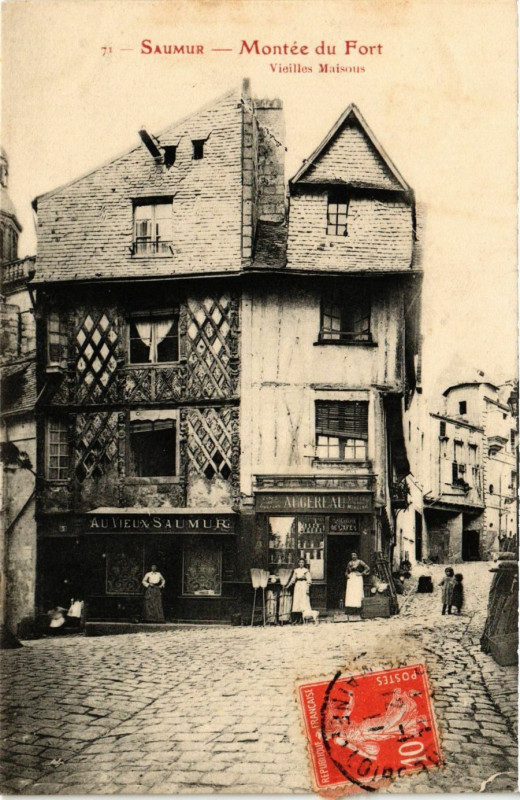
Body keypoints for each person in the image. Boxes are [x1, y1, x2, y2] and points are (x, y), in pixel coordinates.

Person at [345, 552, 370, 619]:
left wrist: (362, 573)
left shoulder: (360, 562)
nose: (353, 556)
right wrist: (347, 575)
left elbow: (367, 568)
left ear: (357, 556)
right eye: (352, 555)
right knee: (351, 593)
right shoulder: (349, 563)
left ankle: (358, 608)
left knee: (357, 592)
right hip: (351, 578)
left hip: (357, 577)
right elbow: (346, 571)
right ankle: (351, 609)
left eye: (355, 555)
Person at [287, 558, 313, 624]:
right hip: (298, 585)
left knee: (303, 600)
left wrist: (307, 588)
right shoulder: (296, 570)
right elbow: (293, 579)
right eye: (300, 562)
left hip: (304, 585)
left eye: (302, 562)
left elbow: (309, 580)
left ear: (304, 563)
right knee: (297, 600)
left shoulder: (306, 571)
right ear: (298, 563)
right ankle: (297, 618)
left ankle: (303, 618)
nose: (301, 563)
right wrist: (287, 585)